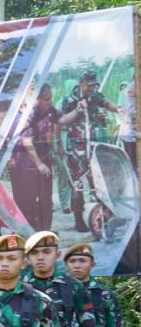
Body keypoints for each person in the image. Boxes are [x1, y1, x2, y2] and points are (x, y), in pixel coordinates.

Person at [60, 71, 119, 231]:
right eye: (89, 85)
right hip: (76, 149)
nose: (92, 88)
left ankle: (104, 217)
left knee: (99, 181)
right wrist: (77, 111)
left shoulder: (95, 96)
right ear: (81, 83)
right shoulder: (69, 100)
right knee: (77, 184)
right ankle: (78, 221)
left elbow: (107, 104)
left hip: (93, 146)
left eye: (94, 85)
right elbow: (62, 120)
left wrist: (119, 110)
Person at [10, 84, 60, 233]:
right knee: (26, 203)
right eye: (30, 88)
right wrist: (39, 164)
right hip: (24, 166)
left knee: (45, 201)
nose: (48, 102)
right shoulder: (22, 115)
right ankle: (28, 233)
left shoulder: (47, 112)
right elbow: (26, 141)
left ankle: (44, 231)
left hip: (42, 163)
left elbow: (61, 120)